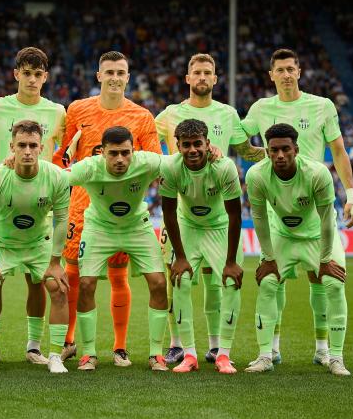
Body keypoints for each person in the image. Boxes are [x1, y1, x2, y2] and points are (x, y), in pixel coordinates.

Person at [241, 48, 353, 365]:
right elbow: (239, 137)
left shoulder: (321, 106)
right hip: (279, 210)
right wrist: (257, 156)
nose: (286, 74)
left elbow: (338, 150)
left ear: (299, 71)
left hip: (314, 200)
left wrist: (352, 194)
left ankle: (325, 352)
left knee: (323, 279)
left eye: (291, 68)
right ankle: (271, 352)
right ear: (271, 75)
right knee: (271, 280)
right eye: (280, 69)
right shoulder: (262, 108)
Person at [53, 51, 161, 365]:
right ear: (99, 76)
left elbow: (154, 162)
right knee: (74, 277)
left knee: (118, 275)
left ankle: (120, 347)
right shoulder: (77, 109)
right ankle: (70, 341)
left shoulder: (141, 117)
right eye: (109, 72)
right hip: (81, 207)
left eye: (120, 72)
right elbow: (64, 156)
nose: (115, 77)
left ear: (128, 78)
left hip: (122, 211)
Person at [155, 53, 263, 364]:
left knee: (217, 282)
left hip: (216, 201)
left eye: (208, 73)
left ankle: (216, 345)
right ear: (187, 79)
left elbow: (246, 150)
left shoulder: (228, 114)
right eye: (196, 72)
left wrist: (283, 151)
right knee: (177, 275)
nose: (202, 77)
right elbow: (147, 140)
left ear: (215, 79)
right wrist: (164, 163)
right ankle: (177, 343)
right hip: (183, 206)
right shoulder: (170, 113)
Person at [0, 47, 66, 365]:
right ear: (16, 74)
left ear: (46, 77)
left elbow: (62, 149)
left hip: (42, 204)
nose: (32, 79)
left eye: (38, 74)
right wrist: (3, 165)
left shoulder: (57, 111)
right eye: (26, 73)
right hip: (7, 200)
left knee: (38, 282)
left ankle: (33, 347)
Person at [245, 123, 350, 376]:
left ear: (296, 149)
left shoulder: (317, 173)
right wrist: (269, 259)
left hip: (317, 236)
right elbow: (258, 218)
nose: (280, 155)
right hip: (283, 235)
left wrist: (325, 260)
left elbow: (327, 219)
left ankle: (335, 357)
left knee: (334, 284)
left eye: (285, 149)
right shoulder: (256, 175)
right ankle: (265, 355)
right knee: (268, 282)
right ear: (267, 151)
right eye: (274, 150)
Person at [68, 126, 168, 371]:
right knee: (86, 283)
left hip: (137, 226)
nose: (120, 159)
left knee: (158, 282)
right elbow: (57, 177)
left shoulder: (147, 162)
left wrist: (212, 152)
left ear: (134, 151)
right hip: (99, 228)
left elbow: (181, 163)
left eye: (126, 153)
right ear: (102, 152)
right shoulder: (90, 167)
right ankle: (89, 353)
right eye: (114, 153)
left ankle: (156, 354)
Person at [159, 119, 243, 374]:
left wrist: (230, 262)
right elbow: (169, 212)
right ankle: (190, 355)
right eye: (186, 145)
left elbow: (235, 215)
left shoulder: (224, 167)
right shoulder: (171, 168)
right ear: (178, 146)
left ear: (208, 144)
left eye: (198, 144)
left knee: (230, 282)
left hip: (219, 227)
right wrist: (181, 257)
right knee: (180, 280)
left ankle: (224, 355)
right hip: (188, 227)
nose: (192, 150)